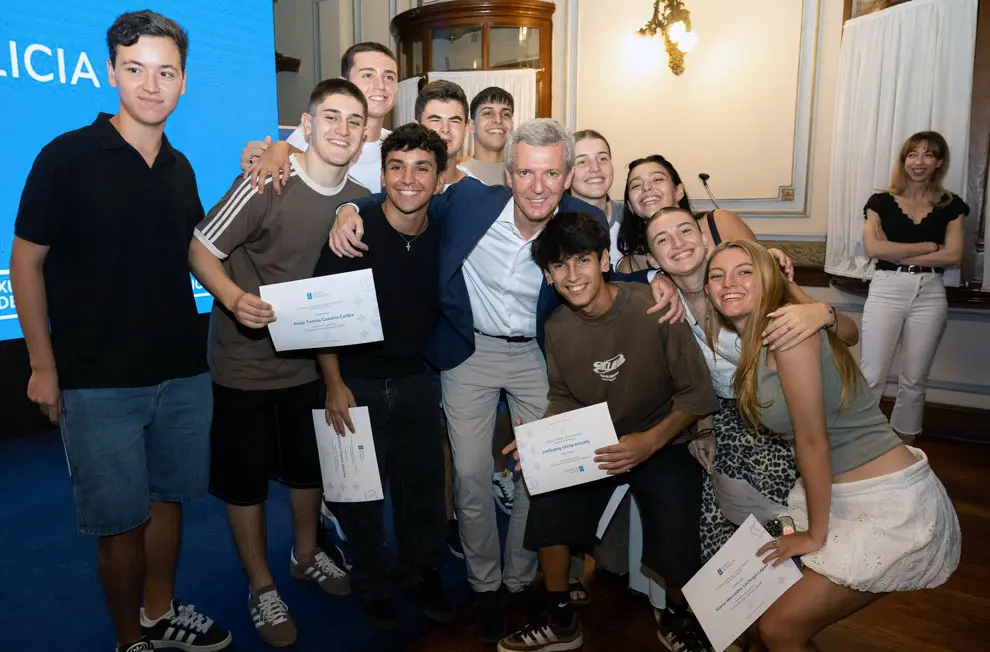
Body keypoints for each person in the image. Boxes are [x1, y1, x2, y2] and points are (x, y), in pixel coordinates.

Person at [327, 118, 684, 644]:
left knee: (536, 473)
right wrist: (347, 207)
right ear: (509, 173)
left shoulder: (581, 215)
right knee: (471, 475)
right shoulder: (469, 202)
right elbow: (406, 200)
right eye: (526, 173)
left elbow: (610, 267)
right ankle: (485, 585)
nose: (538, 187)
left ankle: (519, 581)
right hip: (470, 348)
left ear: (565, 177)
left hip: (542, 356)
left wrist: (657, 277)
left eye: (550, 174)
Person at [10, 11, 231, 652]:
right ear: (111, 72)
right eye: (136, 70)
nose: (151, 85)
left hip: (182, 372)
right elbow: (26, 262)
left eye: (166, 72)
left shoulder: (181, 167)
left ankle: (160, 614)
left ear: (184, 82)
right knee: (120, 523)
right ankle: (127, 639)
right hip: (98, 380)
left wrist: (236, 297)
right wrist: (43, 365)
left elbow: (194, 248)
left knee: (170, 503)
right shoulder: (65, 156)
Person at [704, 240, 961, 652]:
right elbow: (848, 332)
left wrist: (813, 535)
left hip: (884, 502)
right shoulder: (765, 336)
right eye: (717, 275)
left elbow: (812, 441)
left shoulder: (786, 332)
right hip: (845, 493)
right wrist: (814, 306)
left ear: (767, 279)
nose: (728, 283)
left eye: (744, 271)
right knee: (769, 620)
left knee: (779, 628)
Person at [188, 79, 370, 647]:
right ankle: (261, 584)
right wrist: (231, 297)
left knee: (306, 471)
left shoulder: (361, 198)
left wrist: (348, 206)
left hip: (307, 367)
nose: (342, 129)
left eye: (354, 121)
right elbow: (199, 246)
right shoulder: (267, 179)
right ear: (306, 125)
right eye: (331, 117)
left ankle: (306, 554)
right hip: (242, 366)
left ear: (366, 136)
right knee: (243, 484)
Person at [497, 212, 720, 652]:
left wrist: (649, 442)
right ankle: (561, 619)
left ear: (604, 260)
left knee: (678, 513)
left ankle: (676, 617)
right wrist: (542, 440)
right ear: (547, 275)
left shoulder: (653, 306)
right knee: (547, 492)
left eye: (581, 260)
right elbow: (563, 394)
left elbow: (696, 394)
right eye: (558, 266)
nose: (572, 275)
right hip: (598, 441)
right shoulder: (557, 327)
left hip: (662, 437)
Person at [644, 206, 859, 562]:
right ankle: (741, 603)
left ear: (703, 237)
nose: (678, 244)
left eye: (685, 231)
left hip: (783, 415)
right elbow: (690, 377)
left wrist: (823, 312)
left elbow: (847, 335)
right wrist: (704, 426)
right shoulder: (665, 303)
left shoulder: (747, 280)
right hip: (726, 415)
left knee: (780, 517)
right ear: (653, 258)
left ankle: (789, 581)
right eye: (662, 239)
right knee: (718, 523)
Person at [314, 123, 454, 630]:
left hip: (417, 379)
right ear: (382, 174)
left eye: (421, 168)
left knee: (422, 490)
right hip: (356, 381)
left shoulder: (444, 229)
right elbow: (322, 314)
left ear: (440, 179)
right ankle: (372, 582)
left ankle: (423, 573)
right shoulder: (354, 229)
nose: (408, 179)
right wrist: (333, 382)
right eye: (396, 167)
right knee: (359, 498)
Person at [860, 131, 967, 441]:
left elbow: (955, 256)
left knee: (914, 379)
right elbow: (874, 249)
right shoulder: (880, 201)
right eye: (912, 154)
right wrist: (929, 246)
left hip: (930, 294)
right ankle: (863, 442)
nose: (919, 162)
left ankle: (904, 447)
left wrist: (899, 249)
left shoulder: (951, 205)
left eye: (928, 155)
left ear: (939, 162)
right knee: (871, 375)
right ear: (903, 159)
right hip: (886, 289)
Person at [241, 41, 398, 193]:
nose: (381, 86)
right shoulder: (315, 134)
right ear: (343, 84)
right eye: (368, 75)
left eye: (389, 77)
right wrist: (264, 156)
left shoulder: (398, 146)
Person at [616, 154, 754, 273]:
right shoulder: (630, 266)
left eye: (657, 179)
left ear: (679, 191)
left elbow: (764, 272)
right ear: (631, 206)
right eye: (636, 185)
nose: (646, 187)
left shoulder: (720, 222)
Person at [568, 129, 624, 265]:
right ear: (567, 172)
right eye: (582, 161)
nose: (595, 168)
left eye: (602, 158)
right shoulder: (553, 224)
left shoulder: (632, 216)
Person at [414, 79, 476, 187]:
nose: (445, 129)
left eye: (454, 120)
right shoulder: (399, 187)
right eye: (435, 120)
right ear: (416, 127)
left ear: (466, 128)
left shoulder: (478, 193)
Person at [461, 86, 515, 185]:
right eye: (487, 113)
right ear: (471, 126)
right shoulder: (457, 175)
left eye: (506, 114)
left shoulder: (523, 174)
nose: (498, 120)